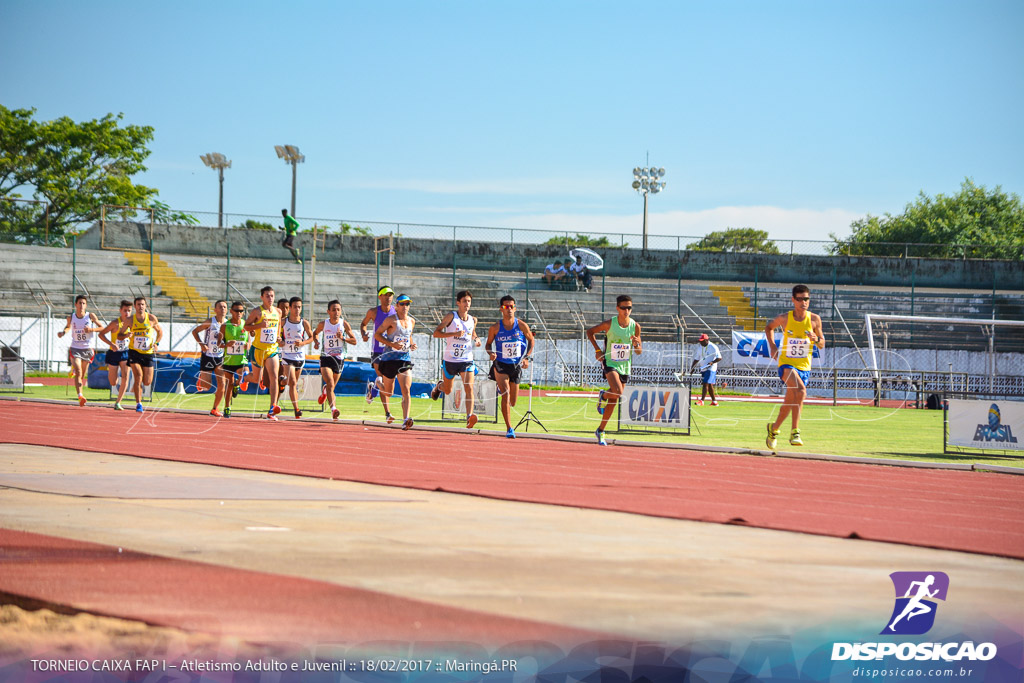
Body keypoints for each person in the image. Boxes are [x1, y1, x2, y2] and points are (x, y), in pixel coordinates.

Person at [764, 284, 825, 452]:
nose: (803, 302)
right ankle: (795, 432)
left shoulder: (814, 320)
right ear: (793, 300)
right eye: (799, 299)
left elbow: (822, 343)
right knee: (801, 391)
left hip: (804, 366)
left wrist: (815, 339)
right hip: (786, 364)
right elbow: (769, 327)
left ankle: (773, 429)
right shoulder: (785, 318)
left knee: (790, 402)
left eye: (806, 299)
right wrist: (773, 346)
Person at [586, 294, 642, 446]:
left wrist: (637, 344)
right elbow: (589, 332)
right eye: (623, 308)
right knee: (617, 391)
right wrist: (598, 350)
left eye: (629, 308)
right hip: (610, 362)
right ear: (618, 308)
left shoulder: (635, 326)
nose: (626, 311)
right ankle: (603, 395)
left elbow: (638, 352)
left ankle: (601, 430)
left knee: (615, 398)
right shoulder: (610, 324)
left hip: (625, 365)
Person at [429, 290, 482, 429]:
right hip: (450, 359)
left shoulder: (473, 320)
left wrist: (476, 339)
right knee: (447, 390)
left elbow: (472, 333)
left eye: (469, 301)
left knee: (469, 388)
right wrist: (454, 333)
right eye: (464, 301)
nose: (467, 304)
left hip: (466, 359)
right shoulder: (451, 317)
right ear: (458, 303)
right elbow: (436, 333)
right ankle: (439, 386)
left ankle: (469, 417)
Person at [485, 295, 535, 438]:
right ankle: (509, 428)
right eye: (506, 307)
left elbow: (531, 340)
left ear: (515, 308)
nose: (509, 310)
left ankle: (503, 392)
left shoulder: (521, 325)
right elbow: (488, 344)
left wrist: (526, 357)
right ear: (501, 309)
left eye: (512, 307)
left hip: (516, 365)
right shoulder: (495, 328)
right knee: (505, 394)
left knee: (513, 402)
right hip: (501, 364)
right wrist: (491, 352)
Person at [373, 294, 418, 430]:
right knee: (389, 393)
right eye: (402, 304)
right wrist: (391, 343)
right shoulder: (390, 320)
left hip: (404, 359)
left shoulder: (411, 321)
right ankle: (377, 384)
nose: (405, 307)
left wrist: (411, 344)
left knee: (406, 389)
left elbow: (408, 335)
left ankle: (405, 420)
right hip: (389, 359)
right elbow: (377, 334)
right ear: (397, 306)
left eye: (407, 304)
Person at [239, 285, 283, 420]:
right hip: (258, 350)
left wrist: (279, 337)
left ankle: (272, 408)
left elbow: (278, 326)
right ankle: (245, 377)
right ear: (262, 297)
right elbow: (245, 327)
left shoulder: (278, 312)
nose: (270, 298)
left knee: (274, 377)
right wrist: (259, 326)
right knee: (257, 379)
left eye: (272, 296)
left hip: (272, 350)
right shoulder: (257, 312)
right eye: (267, 296)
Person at [311, 299, 358, 421]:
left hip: (339, 358)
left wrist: (343, 338)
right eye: (333, 310)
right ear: (328, 312)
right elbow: (315, 333)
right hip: (326, 356)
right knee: (331, 383)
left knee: (332, 386)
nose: (336, 312)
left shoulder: (344, 324)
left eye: (338, 310)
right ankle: (333, 410)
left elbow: (354, 341)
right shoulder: (323, 324)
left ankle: (325, 391)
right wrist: (316, 342)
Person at [57, 294, 103, 407]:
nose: (81, 305)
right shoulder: (71, 317)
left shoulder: (90, 316)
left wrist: (91, 329)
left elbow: (102, 327)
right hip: (75, 348)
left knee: (82, 375)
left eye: (83, 303)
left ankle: (80, 392)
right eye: (79, 303)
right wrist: (63, 332)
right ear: (75, 305)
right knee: (78, 371)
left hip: (87, 349)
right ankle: (80, 396)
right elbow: (68, 327)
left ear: (86, 305)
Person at [359, 286, 396, 418]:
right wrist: (364, 333)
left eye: (390, 295)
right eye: (385, 295)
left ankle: (373, 389)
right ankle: (387, 413)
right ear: (380, 297)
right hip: (377, 350)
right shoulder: (373, 312)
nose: (388, 297)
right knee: (382, 378)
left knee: (385, 382)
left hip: (392, 351)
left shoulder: (395, 312)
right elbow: (363, 324)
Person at [279, 296, 315, 419]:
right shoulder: (284, 322)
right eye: (295, 307)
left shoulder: (304, 323)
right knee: (293, 383)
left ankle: (282, 382)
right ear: (290, 308)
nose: (297, 309)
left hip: (299, 356)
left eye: (299, 307)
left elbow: (312, 337)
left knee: (290, 382)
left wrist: (303, 343)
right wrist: (280, 341)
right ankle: (297, 409)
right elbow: (276, 335)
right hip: (287, 355)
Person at [191, 300, 228, 416]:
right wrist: (202, 344)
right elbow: (195, 331)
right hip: (208, 356)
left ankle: (215, 409)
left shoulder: (228, 324)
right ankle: (201, 378)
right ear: (215, 310)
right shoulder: (210, 322)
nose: (223, 309)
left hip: (221, 357)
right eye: (220, 307)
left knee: (222, 384)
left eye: (225, 307)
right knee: (206, 387)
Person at [127, 296, 163, 413]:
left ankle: (137, 387)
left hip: (148, 353)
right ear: (134, 306)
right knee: (138, 377)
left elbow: (160, 332)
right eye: (138, 304)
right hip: (134, 352)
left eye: (142, 304)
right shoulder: (130, 320)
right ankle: (139, 404)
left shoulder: (152, 319)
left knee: (147, 381)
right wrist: (127, 335)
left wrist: (156, 343)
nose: (140, 306)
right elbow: (120, 334)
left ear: (145, 306)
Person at [216, 301, 251, 418]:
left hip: (242, 359)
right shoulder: (225, 326)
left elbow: (249, 341)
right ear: (231, 311)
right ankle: (227, 407)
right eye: (236, 310)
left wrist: (247, 345)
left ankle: (238, 383)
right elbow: (218, 343)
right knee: (228, 384)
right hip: (229, 360)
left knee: (245, 375)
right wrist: (226, 344)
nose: (239, 313)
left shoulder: (246, 325)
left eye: (241, 311)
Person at [97, 299, 133, 410]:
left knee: (126, 377)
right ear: (120, 311)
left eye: (129, 311)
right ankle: (114, 375)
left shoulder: (133, 323)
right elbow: (101, 334)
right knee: (113, 382)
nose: (127, 313)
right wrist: (111, 344)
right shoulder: (115, 323)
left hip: (126, 353)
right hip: (113, 353)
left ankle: (118, 402)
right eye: (125, 310)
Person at [689, 333, 722, 406]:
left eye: (702, 341)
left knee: (705, 383)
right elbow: (696, 359)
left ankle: (702, 401)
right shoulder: (700, 348)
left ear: (707, 340)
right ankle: (714, 402)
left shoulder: (713, 347)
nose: (701, 342)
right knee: (709, 385)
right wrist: (692, 368)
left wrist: (712, 362)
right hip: (703, 368)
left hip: (711, 368)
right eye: (700, 341)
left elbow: (719, 357)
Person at [276, 298, 290, 392]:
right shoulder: (273, 320)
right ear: (277, 308)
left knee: (281, 373)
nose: (284, 310)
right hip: (273, 349)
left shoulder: (291, 321)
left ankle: (281, 382)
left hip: (286, 351)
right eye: (282, 307)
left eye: (286, 308)